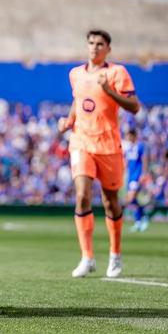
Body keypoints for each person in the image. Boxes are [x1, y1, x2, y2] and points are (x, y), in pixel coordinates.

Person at [57, 29, 141, 278]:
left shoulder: (117, 73)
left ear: (108, 49)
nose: (94, 47)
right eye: (91, 43)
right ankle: (87, 257)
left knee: (110, 202)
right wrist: (69, 120)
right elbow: (78, 101)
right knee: (82, 195)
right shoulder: (75, 74)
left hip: (108, 146)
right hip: (81, 142)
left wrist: (109, 91)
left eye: (100, 44)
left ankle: (115, 255)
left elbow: (134, 106)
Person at [123, 129, 149, 232]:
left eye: (129, 135)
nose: (127, 138)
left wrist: (144, 173)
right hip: (130, 176)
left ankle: (141, 218)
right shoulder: (129, 148)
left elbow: (144, 159)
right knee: (132, 200)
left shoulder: (140, 146)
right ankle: (140, 220)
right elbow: (127, 162)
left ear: (133, 136)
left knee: (130, 198)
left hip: (137, 176)